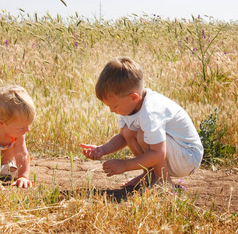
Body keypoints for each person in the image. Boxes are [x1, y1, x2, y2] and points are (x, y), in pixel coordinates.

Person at [80, 56, 203, 187]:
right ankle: (149, 176)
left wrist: (125, 165)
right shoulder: (130, 106)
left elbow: (158, 154)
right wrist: (101, 150)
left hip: (188, 157)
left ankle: (163, 182)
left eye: (114, 106)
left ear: (133, 97)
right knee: (128, 132)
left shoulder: (150, 111)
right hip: (172, 154)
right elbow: (123, 137)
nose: (111, 111)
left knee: (143, 135)